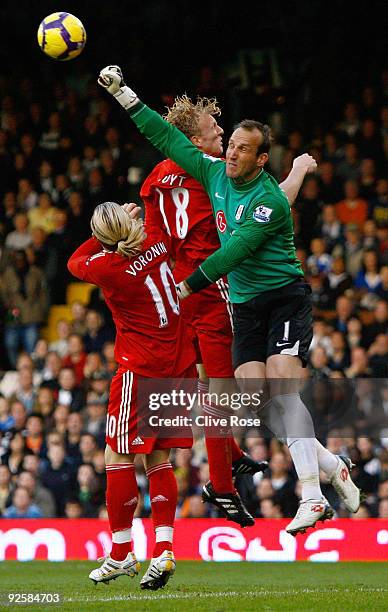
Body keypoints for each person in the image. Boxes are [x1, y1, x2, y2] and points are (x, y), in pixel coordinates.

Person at [98, 65, 361, 536]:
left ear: (261, 159)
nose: (230, 148)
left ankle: (312, 494)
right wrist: (124, 94)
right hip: (240, 305)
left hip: (280, 297)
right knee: (256, 403)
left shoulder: (265, 201)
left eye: (241, 146)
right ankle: (330, 466)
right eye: (227, 140)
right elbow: (163, 135)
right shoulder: (212, 171)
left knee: (280, 389)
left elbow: (235, 249)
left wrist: (185, 284)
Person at [141, 95, 269, 525]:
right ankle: (222, 484)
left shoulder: (157, 177)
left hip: (175, 289)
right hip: (209, 287)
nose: (223, 135)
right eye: (215, 130)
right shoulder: (211, 175)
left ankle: (230, 455)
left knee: (200, 382)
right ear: (193, 139)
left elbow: (155, 236)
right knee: (222, 394)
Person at [67, 201, 196, 589]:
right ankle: (164, 549)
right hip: (180, 363)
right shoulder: (157, 240)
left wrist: (101, 235)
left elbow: (75, 263)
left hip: (141, 369)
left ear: (104, 237)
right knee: (159, 458)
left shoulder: (108, 267)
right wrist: (129, 223)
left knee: (116, 454)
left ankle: (122, 553)